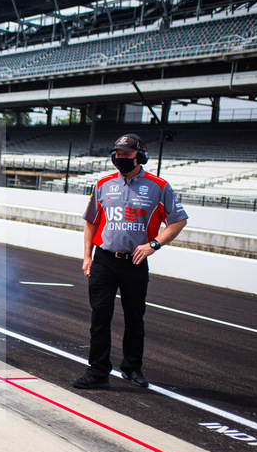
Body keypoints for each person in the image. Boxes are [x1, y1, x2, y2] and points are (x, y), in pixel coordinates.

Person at [74, 133, 188, 390]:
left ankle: (132, 368)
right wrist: (87, 256)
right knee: (100, 316)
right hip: (104, 259)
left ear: (140, 154)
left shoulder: (158, 186)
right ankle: (98, 371)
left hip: (135, 261)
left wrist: (154, 245)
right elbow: (91, 221)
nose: (121, 158)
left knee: (135, 318)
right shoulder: (102, 184)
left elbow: (179, 220)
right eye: (118, 153)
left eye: (126, 153)